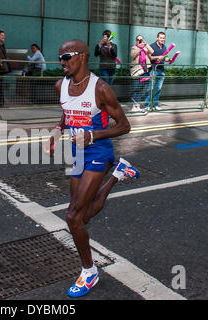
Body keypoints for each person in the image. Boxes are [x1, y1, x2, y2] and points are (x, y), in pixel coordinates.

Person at [45, 39, 140, 298]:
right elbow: (67, 114)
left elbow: (124, 126)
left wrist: (93, 136)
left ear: (83, 57)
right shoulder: (60, 85)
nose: (62, 62)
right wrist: (56, 133)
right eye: (60, 57)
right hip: (78, 152)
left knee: (73, 217)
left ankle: (89, 271)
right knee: (83, 217)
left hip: (98, 151)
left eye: (67, 57)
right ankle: (118, 173)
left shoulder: (101, 89)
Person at [144, 32, 170, 111]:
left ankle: (155, 105)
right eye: (161, 38)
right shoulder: (152, 46)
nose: (162, 39)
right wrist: (158, 57)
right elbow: (150, 57)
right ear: (157, 38)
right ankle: (146, 106)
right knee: (150, 88)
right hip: (153, 70)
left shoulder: (165, 47)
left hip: (161, 71)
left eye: (163, 38)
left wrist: (169, 59)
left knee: (158, 89)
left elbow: (165, 58)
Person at [130, 35, 153, 112]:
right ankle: (134, 106)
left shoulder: (145, 48)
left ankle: (138, 105)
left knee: (140, 89)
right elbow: (133, 55)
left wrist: (145, 44)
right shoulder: (134, 47)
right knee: (135, 88)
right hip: (137, 70)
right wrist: (139, 47)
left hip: (145, 70)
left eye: (141, 39)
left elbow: (152, 51)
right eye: (138, 39)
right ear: (136, 40)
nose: (140, 40)